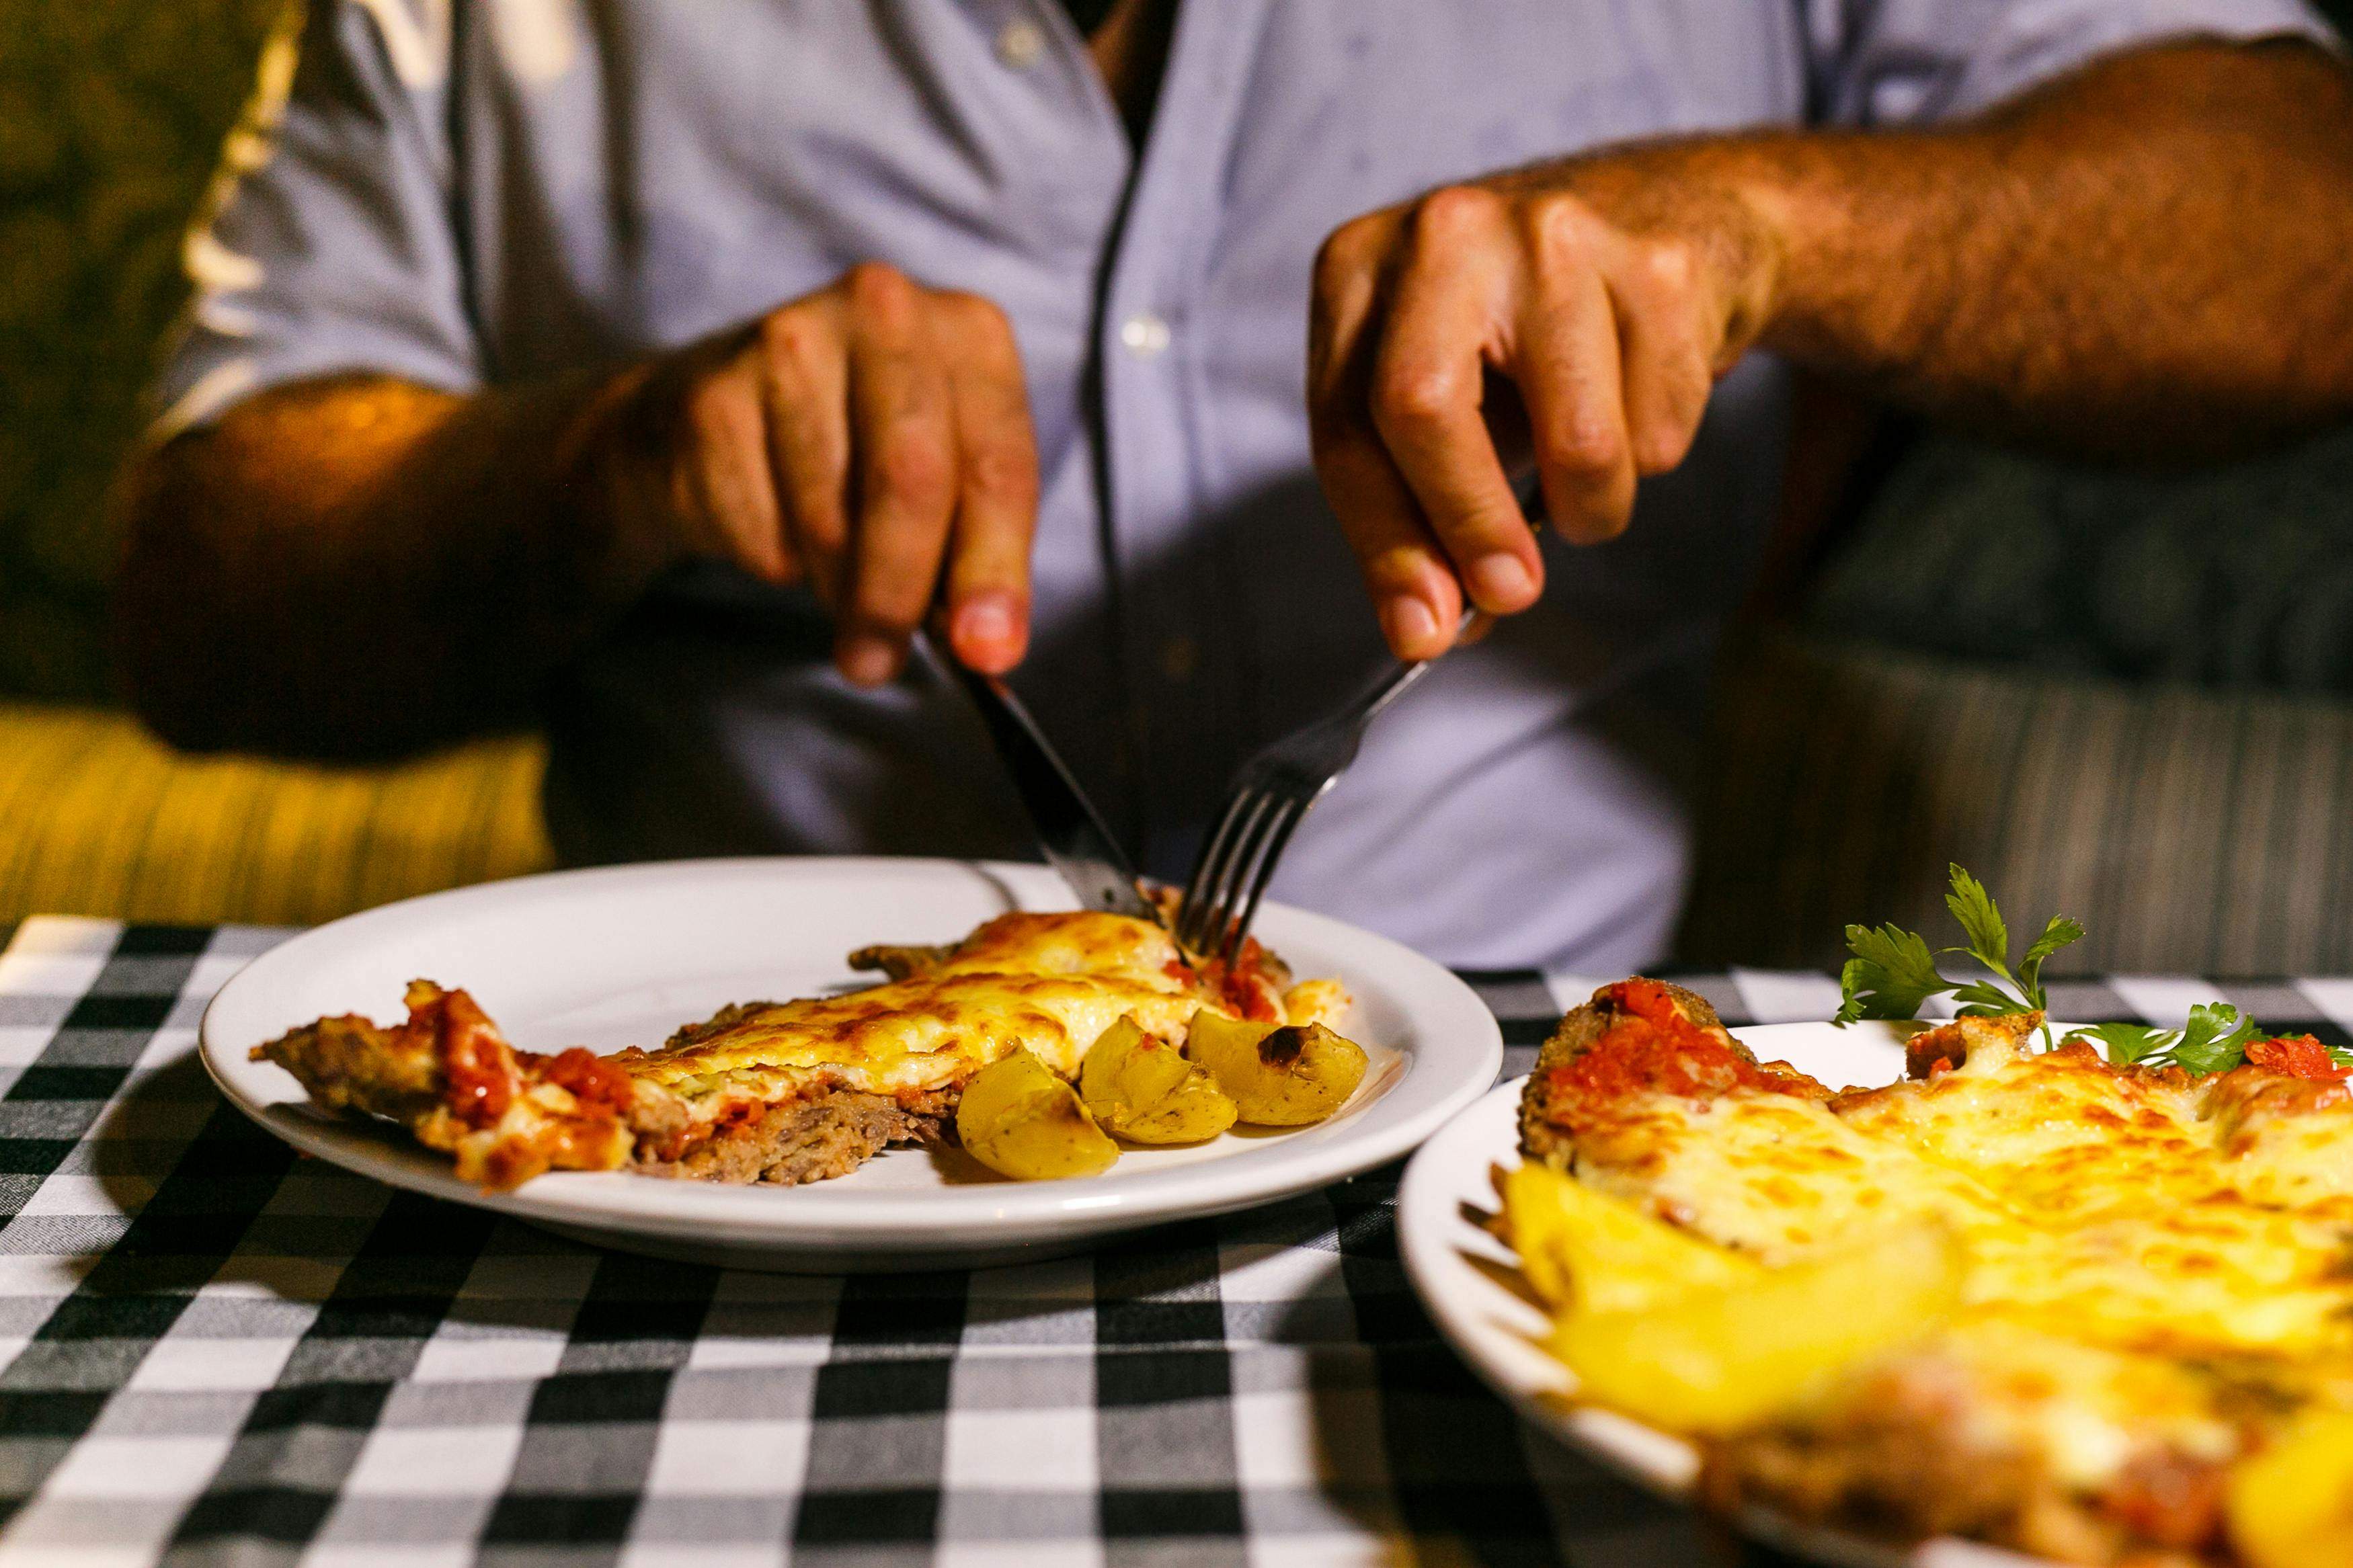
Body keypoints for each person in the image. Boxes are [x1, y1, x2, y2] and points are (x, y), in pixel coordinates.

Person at [117, 1, 2353, 971]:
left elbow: (2293, 242)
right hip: (712, 1156)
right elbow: (207, 609)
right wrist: (611, 461)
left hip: (1531, 1141)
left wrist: (1786, 224)